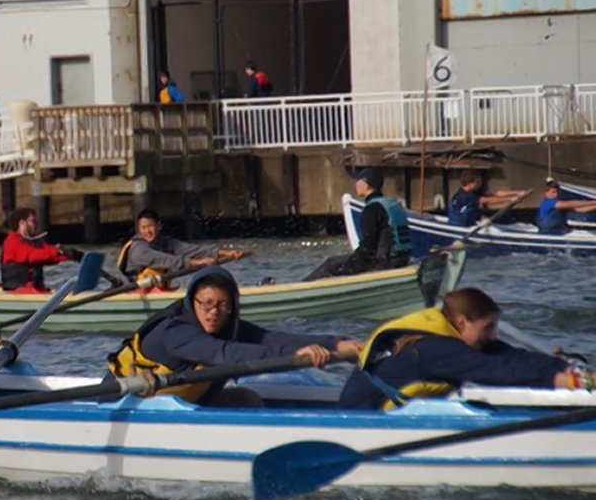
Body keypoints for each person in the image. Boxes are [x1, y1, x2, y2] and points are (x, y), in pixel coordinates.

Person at [107, 266, 362, 407]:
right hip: (125, 404)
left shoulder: (228, 324)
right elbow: (226, 354)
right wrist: (295, 356)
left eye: (223, 305)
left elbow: (272, 339)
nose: (213, 313)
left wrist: (337, 343)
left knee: (246, 399)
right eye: (206, 304)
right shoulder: (175, 332)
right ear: (192, 301)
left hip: (176, 404)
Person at [339, 287, 593, 409]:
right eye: (487, 327)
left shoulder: (447, 333)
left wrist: (573, 371)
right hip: (364, 418)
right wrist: (574, 382)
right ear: (462, 322)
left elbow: (510, 357)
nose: (492, 335)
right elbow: (499, 371)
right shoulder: (434, 349)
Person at [303, 167, 411, 280]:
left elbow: (368, 247)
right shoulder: (392, 204)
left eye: (358, 181)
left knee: (331, 264)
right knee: (338, 262)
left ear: (366, 185)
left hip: (384, 264)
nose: (355, 184)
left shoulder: (372, 209)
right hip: (402, 260)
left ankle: (300, 290)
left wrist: (350, 266)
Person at [117, 208, 247, 287]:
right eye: (143, 228)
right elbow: (167, 260)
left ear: (159, 226)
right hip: (140, 291)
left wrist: (227, 253)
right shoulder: (139, 249)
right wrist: (199, 262)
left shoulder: (164, 242)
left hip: (159, 289)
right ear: (139, 230)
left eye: (150, 226)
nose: (147, 231)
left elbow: (190, 250)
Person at [0, 207, 81, 292]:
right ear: (22, 223)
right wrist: (57, 250)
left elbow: (48, 255)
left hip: (35, 288)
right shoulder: (12, 241)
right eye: (32, 221)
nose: (36, 224)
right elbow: (33, 255)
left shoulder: (34, 241)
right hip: (17, 289)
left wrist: (68, 255)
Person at [447, 169, 529, 227]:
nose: (480, 184)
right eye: (478, 182)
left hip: (469, 222)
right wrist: (510, 199)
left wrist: (518, 193)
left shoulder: (473, 191)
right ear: (470, 183)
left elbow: (496, 194)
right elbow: (489, 201)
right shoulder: (465, 196)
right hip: (459, 225)